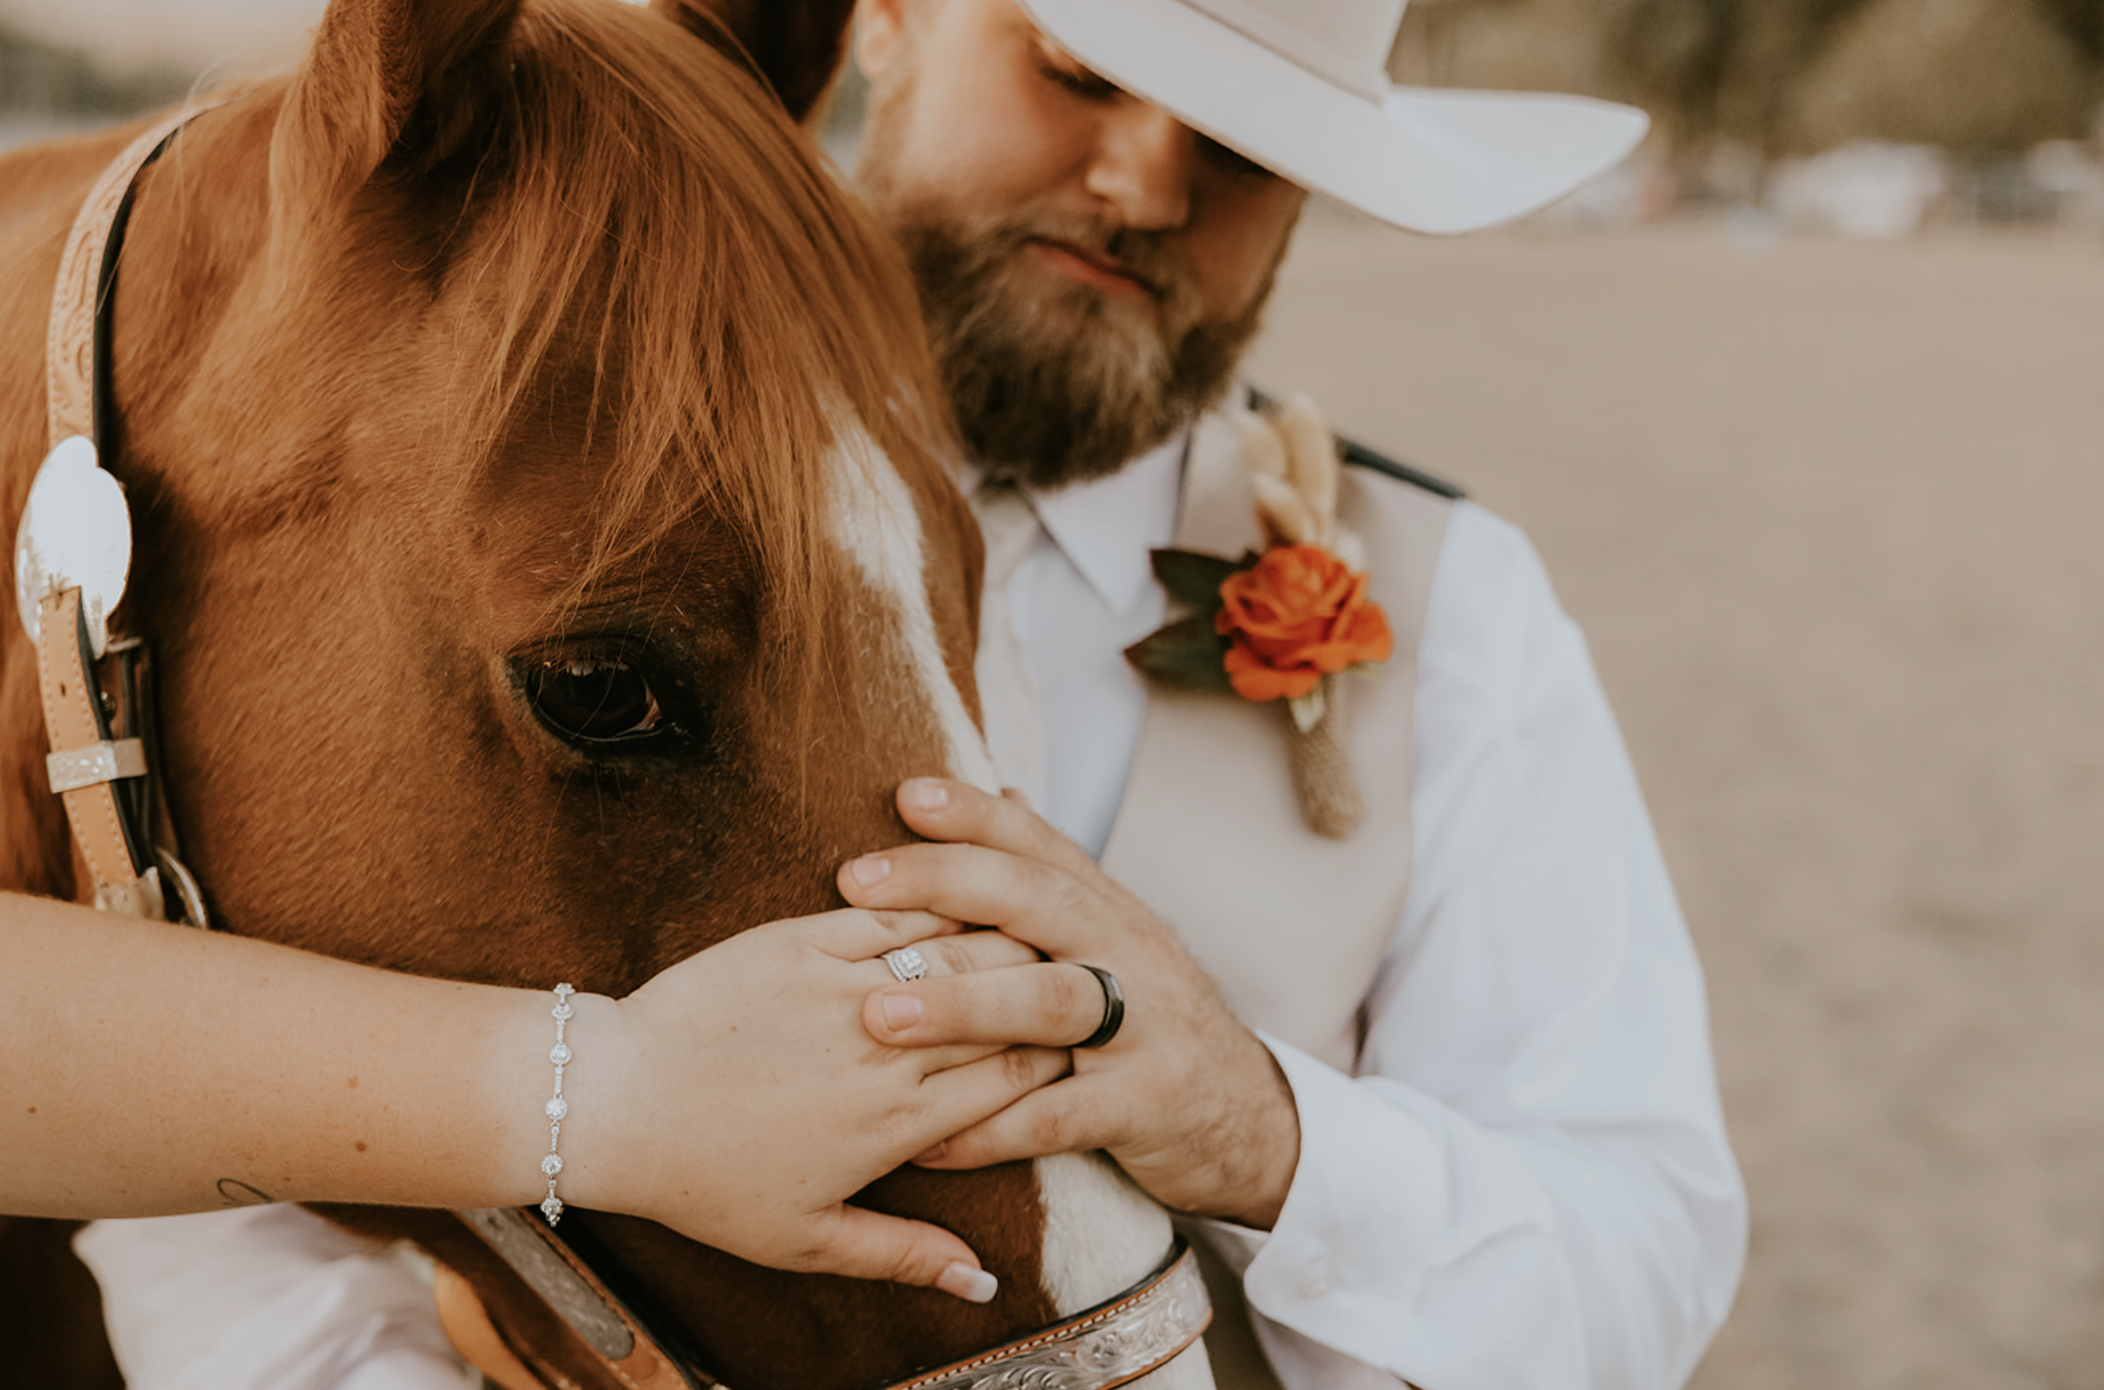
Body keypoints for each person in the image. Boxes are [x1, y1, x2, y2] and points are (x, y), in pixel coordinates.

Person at [79, 0, 1747, 1386]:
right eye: (1078, 73)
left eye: (1249, 148)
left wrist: (1268, 1134)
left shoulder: (1457, 612)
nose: (1145, 178)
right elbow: (216, 1133)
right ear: (887, 19)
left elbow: (1643, 1253)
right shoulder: (512, 475)